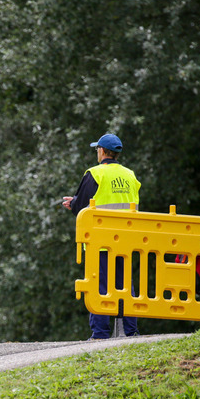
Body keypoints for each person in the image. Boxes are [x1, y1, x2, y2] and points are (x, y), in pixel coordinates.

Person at [62, 133, 142, 339]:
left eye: (97, 149)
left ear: (102, 151)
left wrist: (73, 203)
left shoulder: (95, 173)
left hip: (101, 241)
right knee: (125, 285)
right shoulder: (130, 176)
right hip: (126, 241)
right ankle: (131, 331)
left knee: (100, 286)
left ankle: (100, 333)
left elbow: (82, 206)